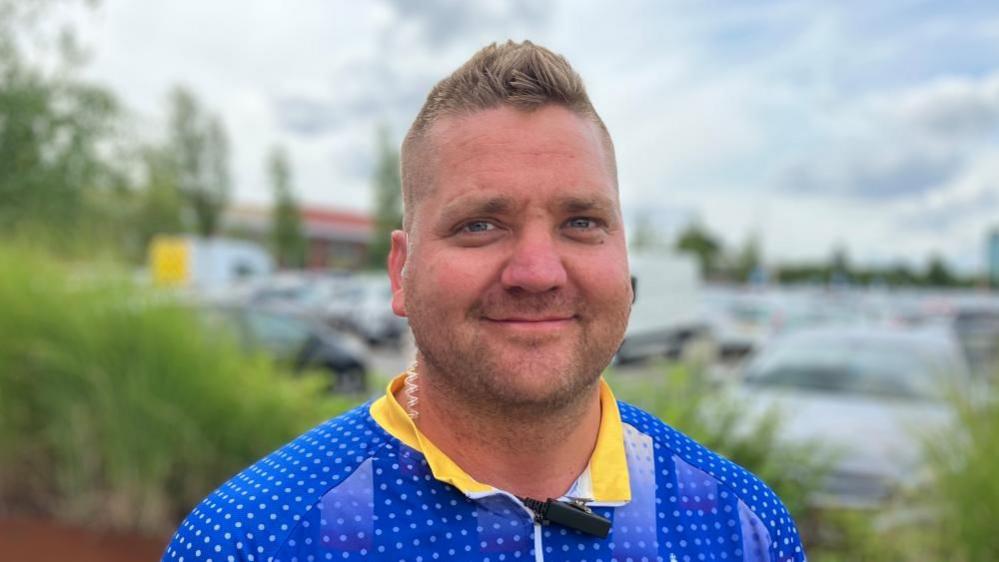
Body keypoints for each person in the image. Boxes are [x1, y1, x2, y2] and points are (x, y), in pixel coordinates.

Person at [162, 41, 806, 562]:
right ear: (401, 270)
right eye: (479, 224)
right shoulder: (251, 540)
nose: (537, 271)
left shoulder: (741, 526)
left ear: (624, 259)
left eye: (581, 222)